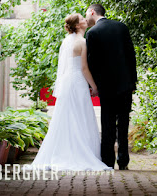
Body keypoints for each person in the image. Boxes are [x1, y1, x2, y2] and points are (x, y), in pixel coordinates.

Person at [26, 13, 111, 171]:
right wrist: (94, 86)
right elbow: (84, 68)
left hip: (67, 82)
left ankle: (63, 152)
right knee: (80, 116)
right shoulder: (82, 41)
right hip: (77, 82)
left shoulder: (66, 41)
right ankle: (80, 154)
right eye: (82, 19)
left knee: (66, 118)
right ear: (78, 26)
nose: (86, 20)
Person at [85, 4, 137, 170]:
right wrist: (133, 81)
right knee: (123, 123)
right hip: (125, 84)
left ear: (92, 11)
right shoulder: (121, 27)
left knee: (107, 123)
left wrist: (92, 85)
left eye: (86, 13)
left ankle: (108, 161)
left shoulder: (92, 33)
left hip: (106, 86)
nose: (86, 17)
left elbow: (92, 62)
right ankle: (123, 161)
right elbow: (131, 55)